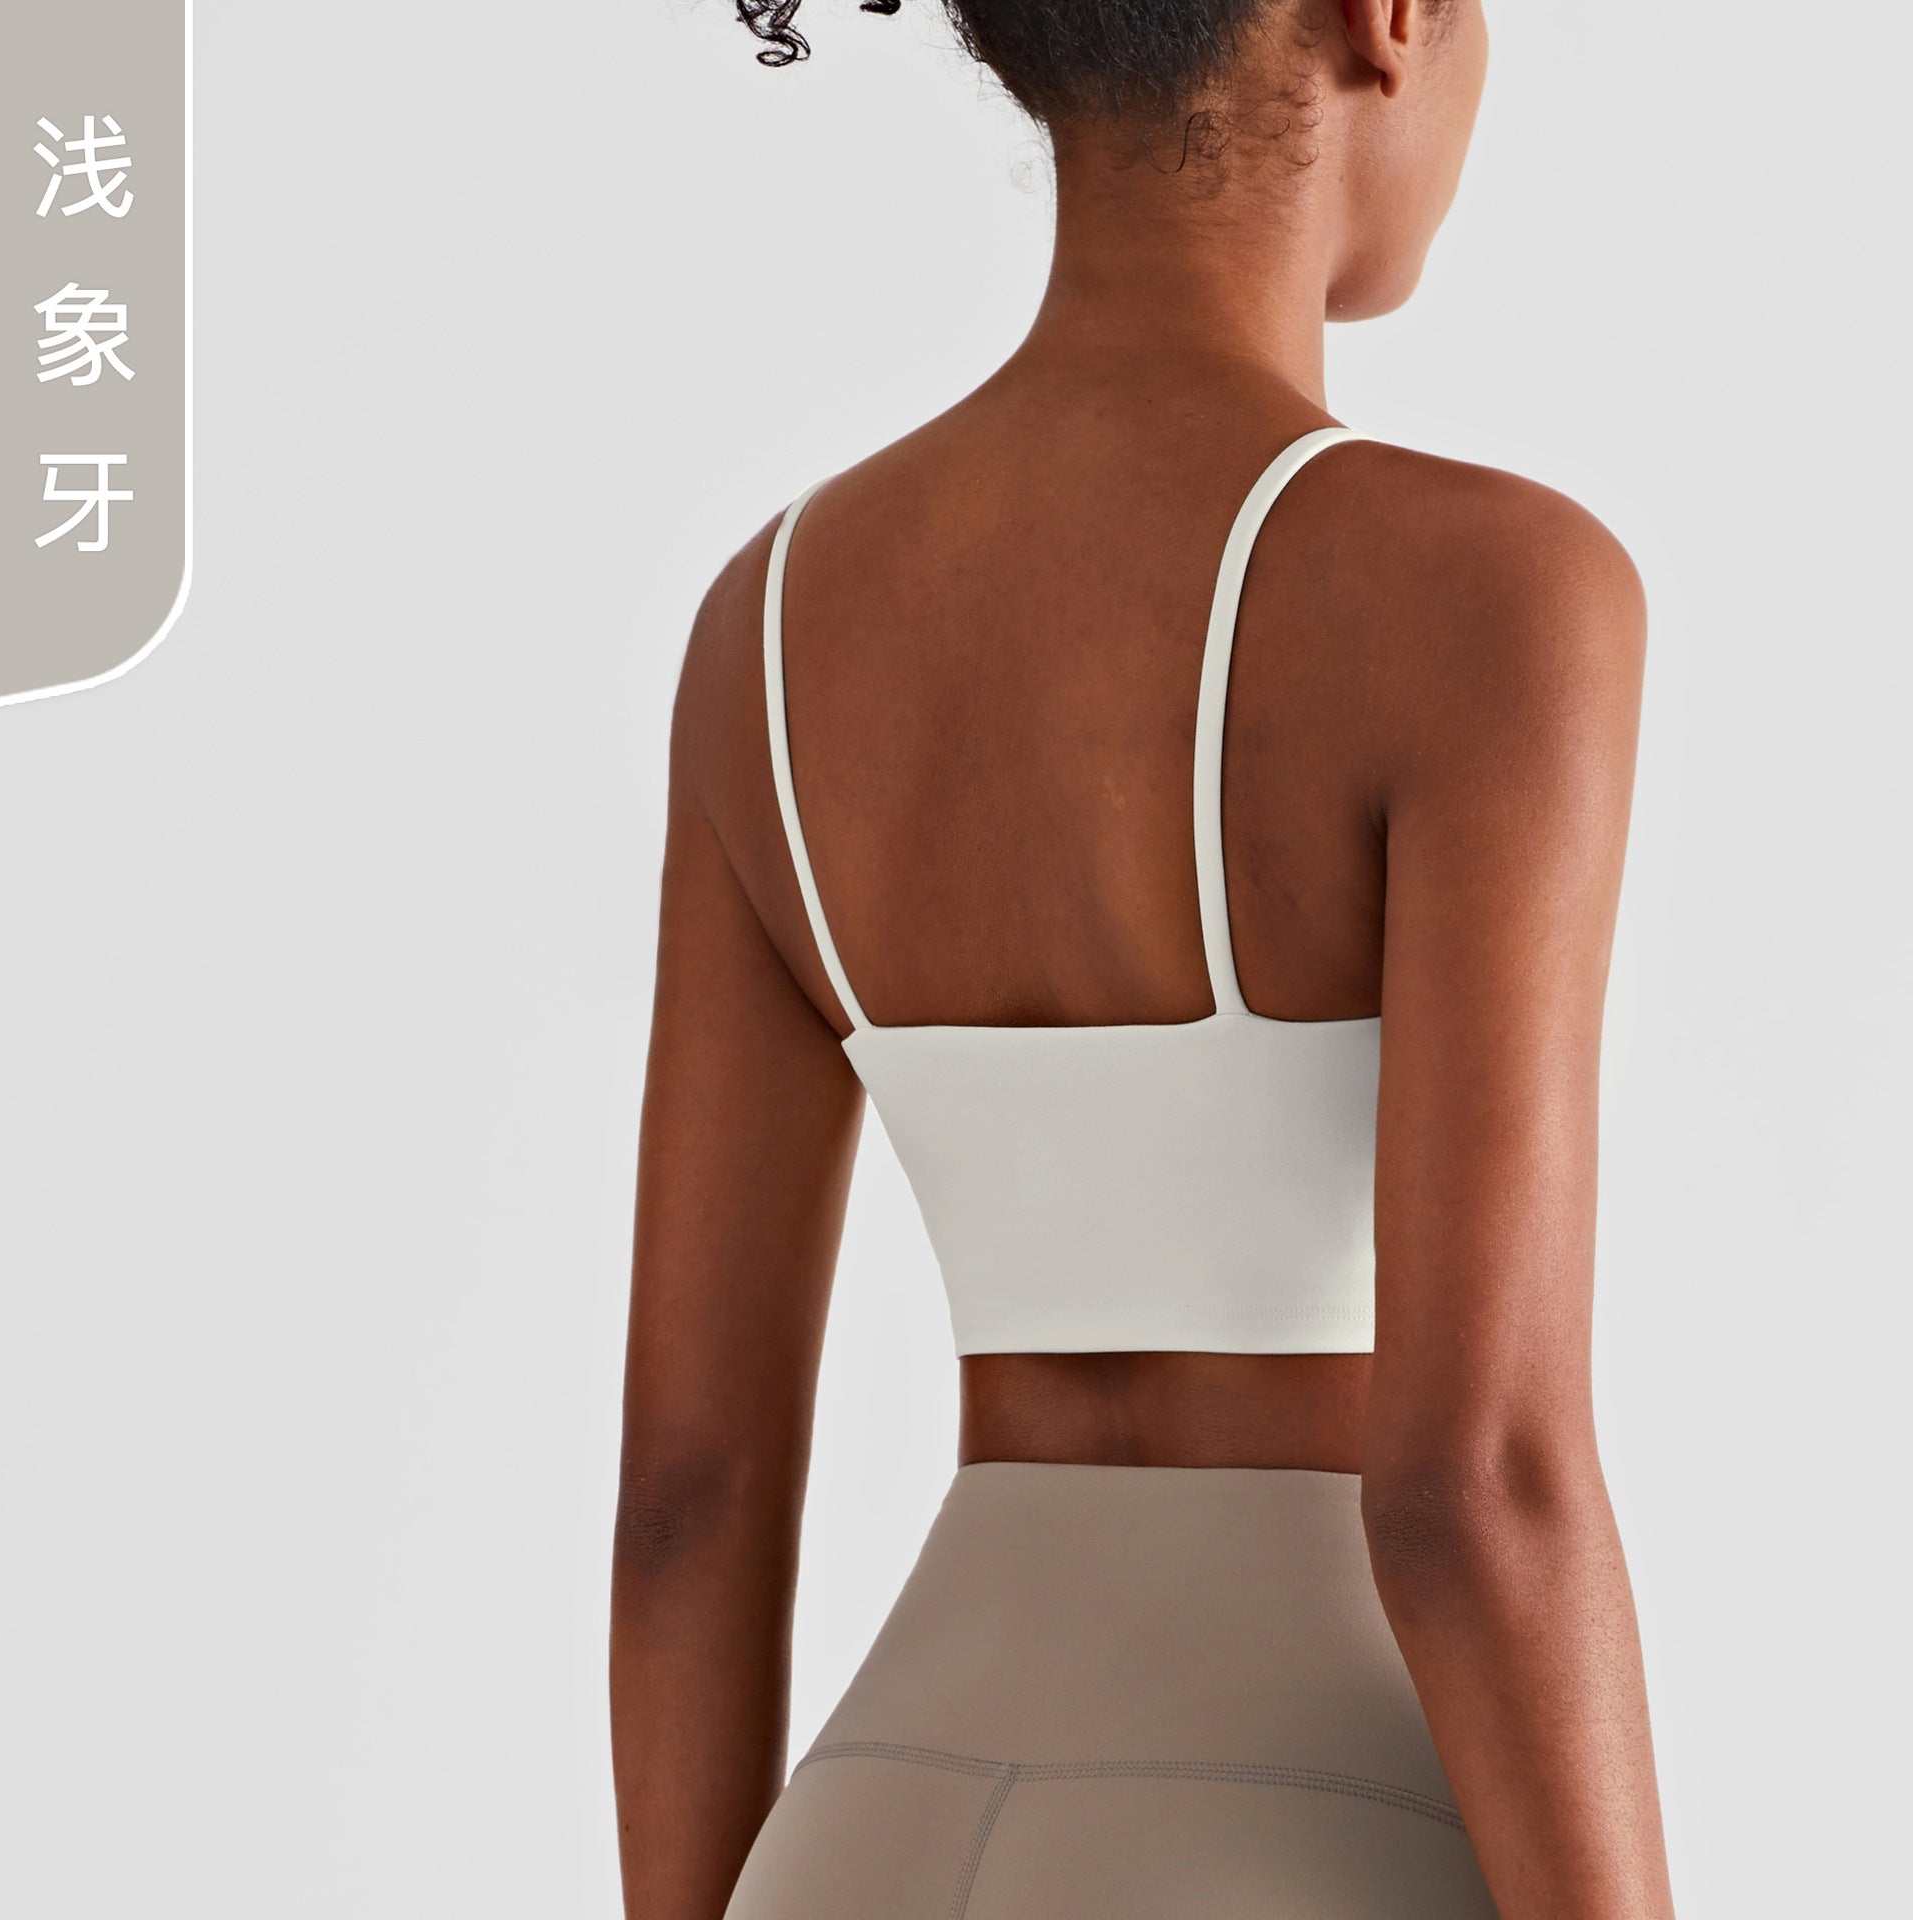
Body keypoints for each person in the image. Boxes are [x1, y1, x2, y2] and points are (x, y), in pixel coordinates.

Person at [612, 2, 1676, 1914]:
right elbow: (1477, 1486)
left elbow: (690, 1499)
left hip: (869, 1829)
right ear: (1387, 17)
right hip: (1306, 1824)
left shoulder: (766, 627)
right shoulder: (1490, 595)